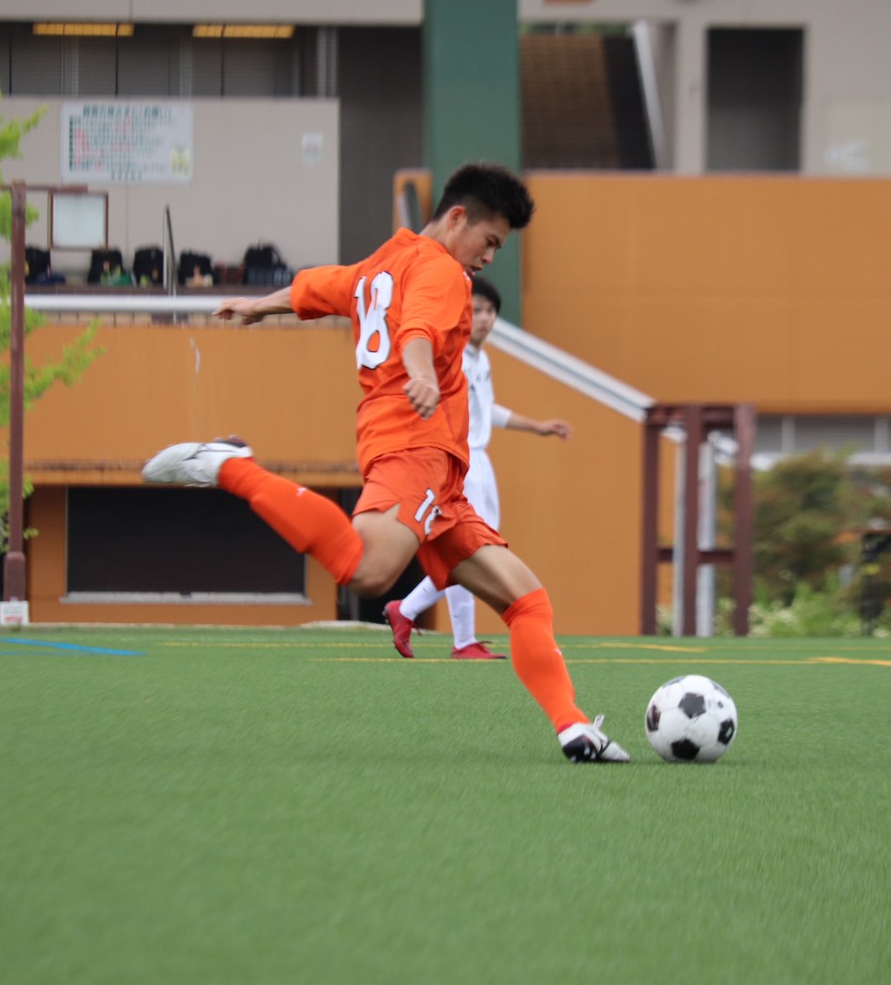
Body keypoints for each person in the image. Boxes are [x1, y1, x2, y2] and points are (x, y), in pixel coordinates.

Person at [141, 163, 628, 762]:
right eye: (490, 241)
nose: (488, 258)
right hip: (412, 446)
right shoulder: (441, 270)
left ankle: (573, 728)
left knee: (526, 600)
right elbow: (418, 329)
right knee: (368, 572)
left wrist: (259, 306)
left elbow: (318, 287)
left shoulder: (380, 264)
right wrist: (420, 373)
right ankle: (231, 466)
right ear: (457, 218)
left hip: (434, 470)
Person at [384, 277, 571, 661]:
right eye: (477, 310)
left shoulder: (480, 359)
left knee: (476, 549)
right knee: (472, 551)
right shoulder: (453, 358)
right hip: (461, 458)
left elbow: (488, 409)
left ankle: (438, 626)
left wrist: (536, 427)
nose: (484, 318)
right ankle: (432, 623)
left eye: (490, 311)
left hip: (480, 460)